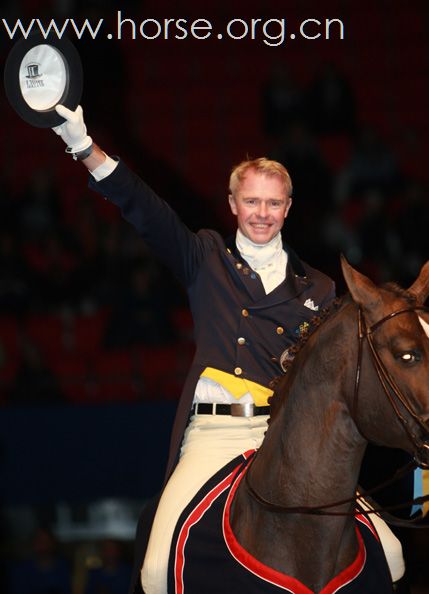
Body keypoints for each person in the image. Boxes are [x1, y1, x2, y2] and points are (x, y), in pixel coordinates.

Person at [51, 105, 406, 594]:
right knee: (155, 568)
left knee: (391, 551)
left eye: (273, 203)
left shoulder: (320, 289)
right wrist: (83, 146)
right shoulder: (206, 258)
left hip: (285, 435)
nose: (263, 213)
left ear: (288, 208)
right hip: (214, 433)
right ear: (233, 204)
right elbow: (146, 211)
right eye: (252, 201)